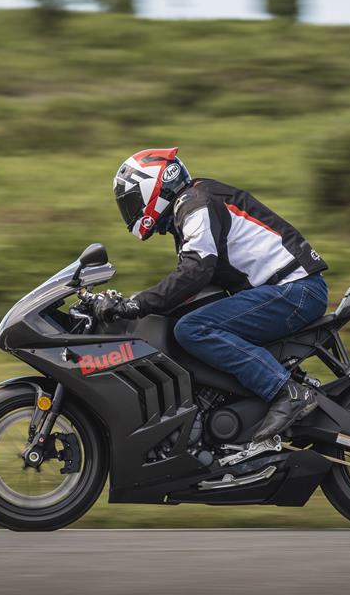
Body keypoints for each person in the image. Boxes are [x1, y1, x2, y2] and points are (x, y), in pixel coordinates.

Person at [97, 148, 329, 443]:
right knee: (184, 319)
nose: (130, 209)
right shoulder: (192, 204)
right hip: (286, 290)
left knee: (193, 328)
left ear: (152, 187)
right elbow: (192, 282)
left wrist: (137, 304)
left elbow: (196, 270)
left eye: (131, 200)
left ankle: (286, 392)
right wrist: (137, 301)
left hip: (295, 291)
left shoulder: (194, 204)